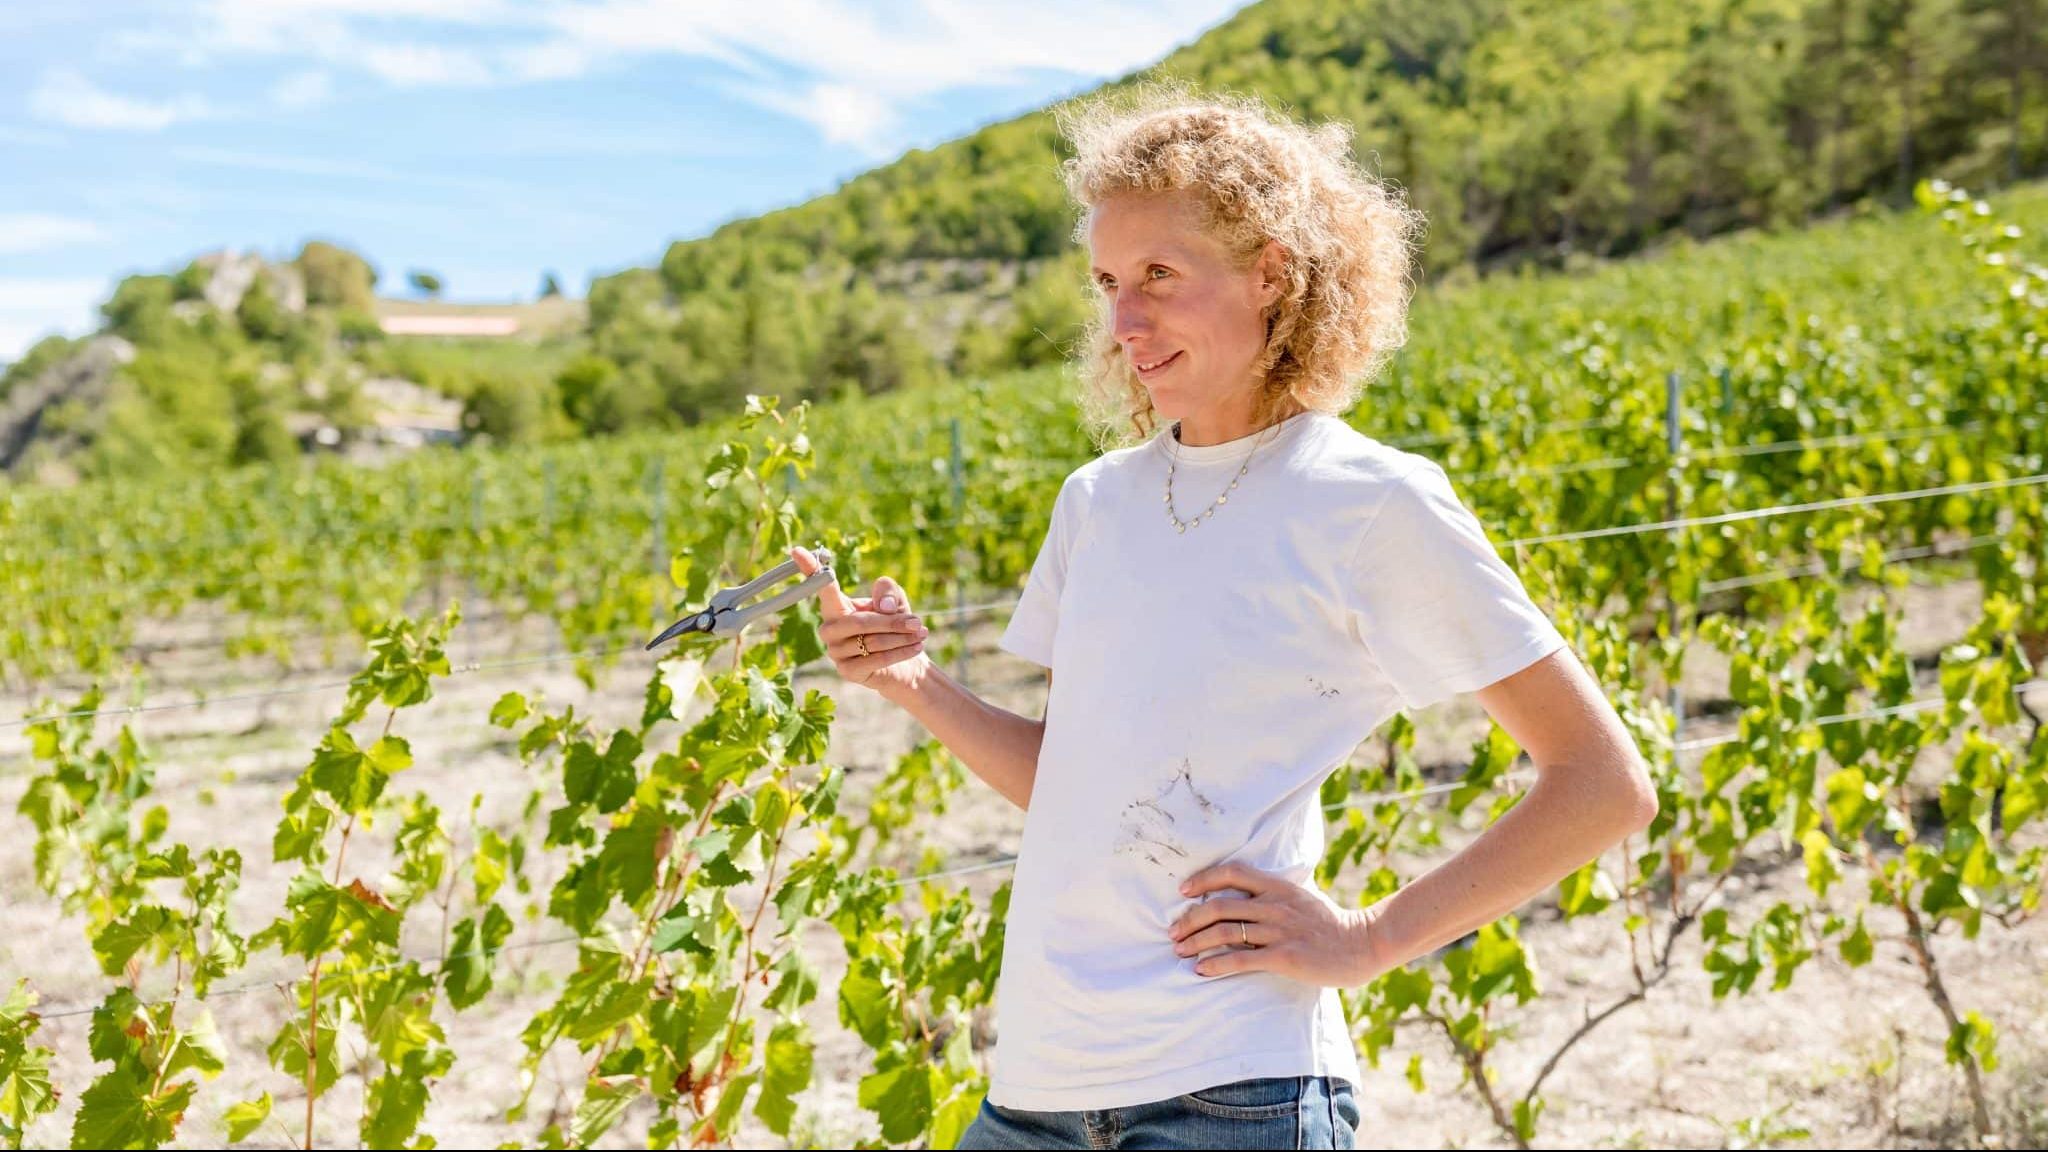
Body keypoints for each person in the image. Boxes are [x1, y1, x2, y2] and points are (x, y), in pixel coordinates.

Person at [788, 87, 1658, 1151]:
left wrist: (1368, 939)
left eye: (1159, 274)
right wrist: (913, 683)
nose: (1123, 319)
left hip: (1234, 1090)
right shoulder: (1096, 501)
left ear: (1270, 274)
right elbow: (1075, 780)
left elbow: (1601, 782)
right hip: (1037, 1083)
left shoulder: (1368, 500)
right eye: (1108, 281)